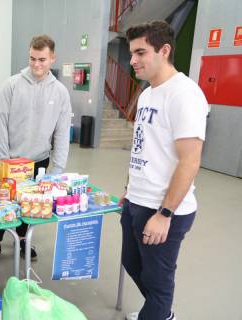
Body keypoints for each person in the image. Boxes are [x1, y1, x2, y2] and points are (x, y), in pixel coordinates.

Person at [120, 21, 208, 320]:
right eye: (131, 52)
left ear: (165, 50)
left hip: (163, 209)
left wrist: (165, 214)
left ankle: (159, 313)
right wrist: (128, 190)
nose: (132, 60)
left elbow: (190, 160)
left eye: (140, 52)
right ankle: (159, 311)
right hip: (136, 201)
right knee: (132, 263)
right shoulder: (147, 94)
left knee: (158, 283)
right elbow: (142, 148)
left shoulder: (184, 94)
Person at [0, 34, 72, 263]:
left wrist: (58, 169)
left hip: (39, 162)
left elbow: (62, 132)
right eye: (32, 58)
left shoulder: (60, 93)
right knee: (4, 204)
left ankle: (24, 239)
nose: (36, 64)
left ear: (52, 58)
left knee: (31, 205)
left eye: (42, 59)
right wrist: (3, 160)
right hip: (11, 160)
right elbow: (0, 124)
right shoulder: (12, 85)